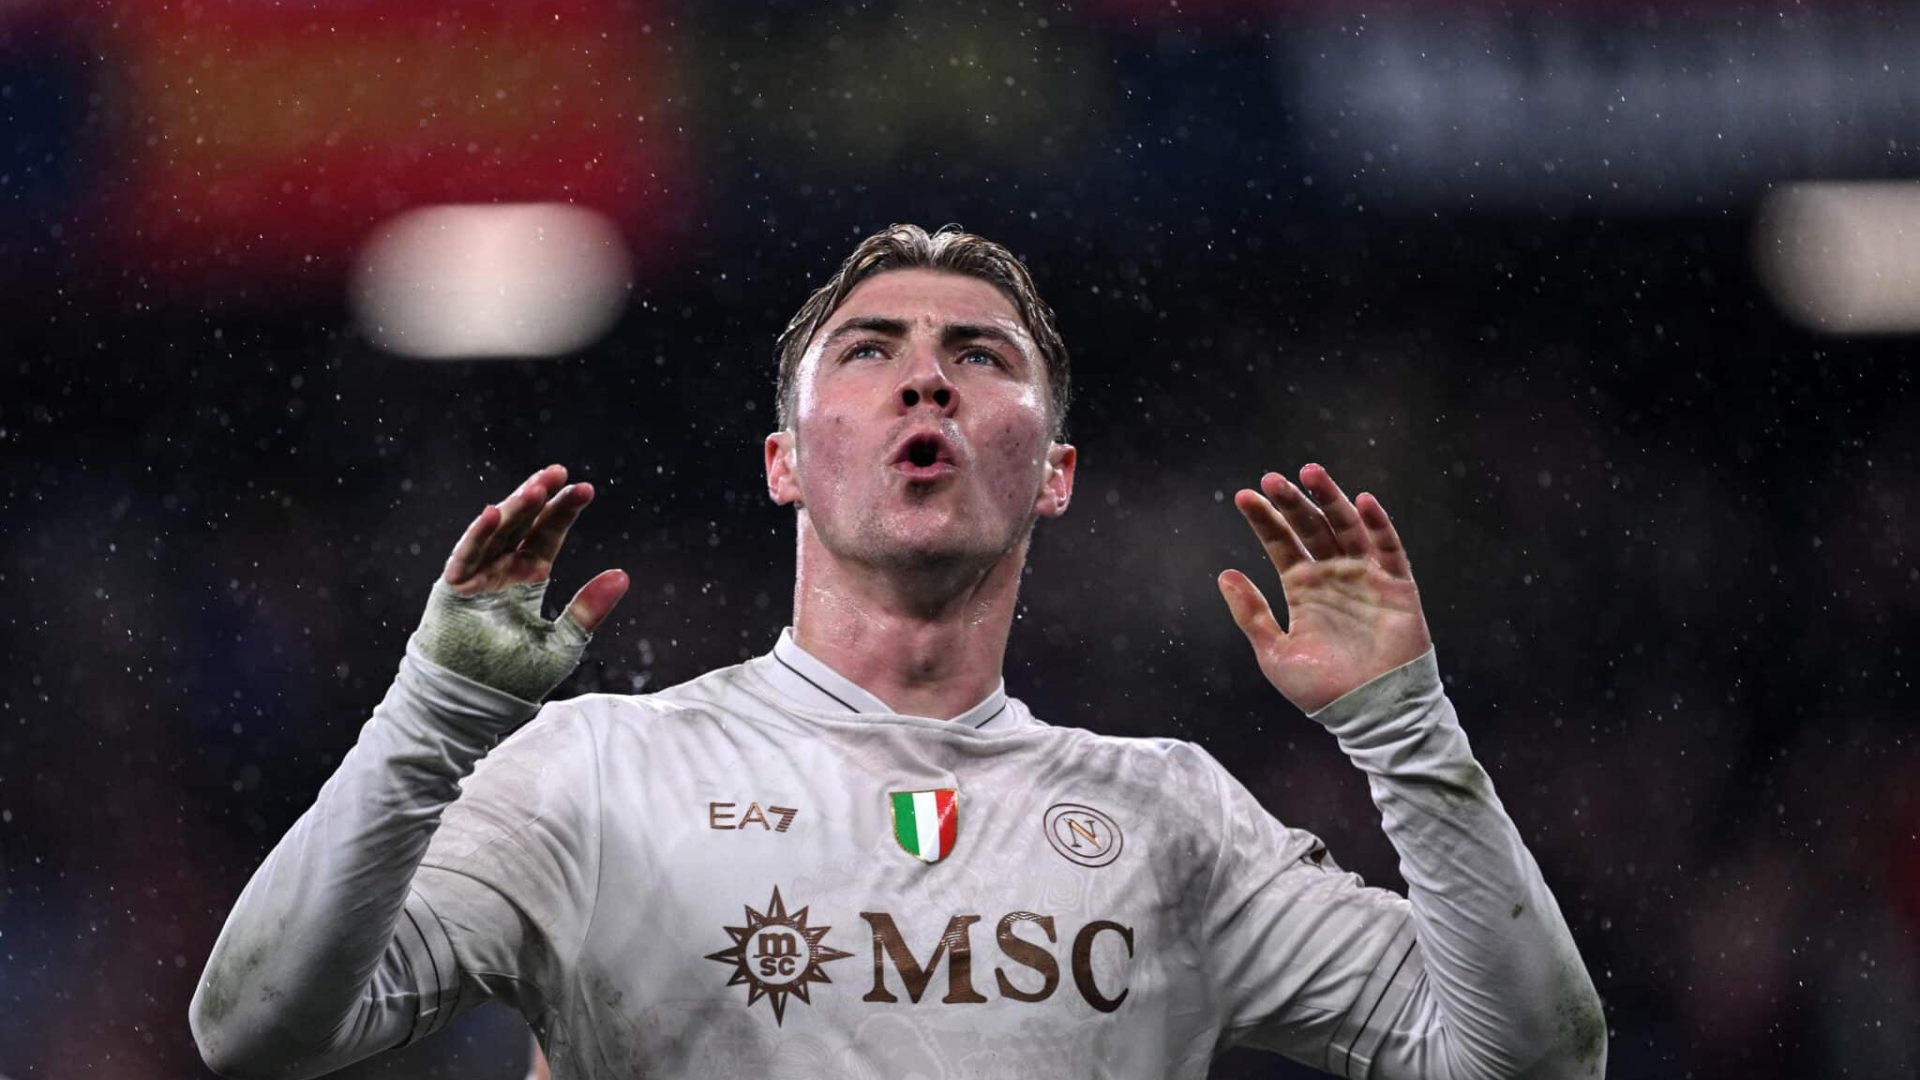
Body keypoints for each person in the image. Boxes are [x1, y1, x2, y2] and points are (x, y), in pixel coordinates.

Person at [189, 224, 1605, 1079]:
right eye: (870, 350)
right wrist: (432, 716)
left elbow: (1529, 1062)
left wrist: (1404, 729)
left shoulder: (1171, 817)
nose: (927, 370)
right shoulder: (595, 773)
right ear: (786, 462)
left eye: (982, 356)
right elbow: (256, 1034)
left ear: (1051, 472)